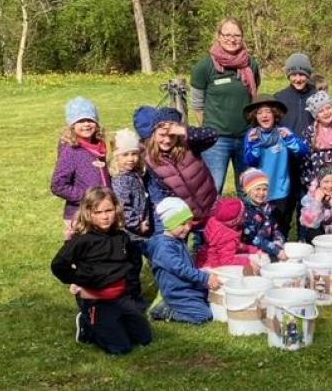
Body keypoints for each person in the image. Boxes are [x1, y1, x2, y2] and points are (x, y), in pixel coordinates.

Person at [50, 187, 151, 354]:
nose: (105, 216)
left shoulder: (121, 237)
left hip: (121, 297)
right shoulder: (82, 240)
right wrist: (81, 280)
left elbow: (132, 264)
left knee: (144, 339)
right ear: (89, 213)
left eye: (109, 210)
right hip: (96, 299)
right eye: (98, 212)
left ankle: (118, 323)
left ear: (116, 210)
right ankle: (87, 324)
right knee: (120, 348)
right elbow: (58, 265)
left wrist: (131, 291)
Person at [191, 17, 260, 194]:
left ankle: (250, 221)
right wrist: (210, 129)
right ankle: (212, 222)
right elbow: (198, 105)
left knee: (249, 189)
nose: (232, 39)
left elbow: (254, 97)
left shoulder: (250, 64)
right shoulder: (205, 66)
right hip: (217, 140)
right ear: (219, 36)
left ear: (243, 37)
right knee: (213, 188)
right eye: (227, 34)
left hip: (246, 137)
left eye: (237, 35)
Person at [133, 106, 217, 239]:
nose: (167, 140)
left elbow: (212, 135)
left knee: (211, 246)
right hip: (182, 214)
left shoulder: (188, 145)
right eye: (162, 135)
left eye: (172, 136)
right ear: (153, 133)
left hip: (209, 205)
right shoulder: (148, 159)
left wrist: (182, 130)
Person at [243, 94, 309, 238]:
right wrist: (254, 145)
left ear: (275, 114)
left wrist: (290, 139)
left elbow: (303, 151)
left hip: (280, 190)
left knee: (281, 227)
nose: (264, 115)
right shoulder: (252, 134)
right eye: (259, 113)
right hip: (260, 191)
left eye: (268, 111)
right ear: (255, 117)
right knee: (260, 230)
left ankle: (280, 251)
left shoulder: (283, 132)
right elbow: (250, 162)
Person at [146, 197, 221, 324]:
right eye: (182, 224)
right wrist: (204, 278)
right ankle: (167, 311)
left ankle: (189, 303)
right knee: (204, 315)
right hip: (177, 293)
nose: (187, 228)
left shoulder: (177, 240)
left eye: (189, 223)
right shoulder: (164, 248)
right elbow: (180, 268)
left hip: (188, 287)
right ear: (169, 223)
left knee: (211, 300)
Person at [51, 97, 110, 239]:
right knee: (83, 253)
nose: (86, 124)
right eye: (80, 121)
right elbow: (58, 185)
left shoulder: (100, 147)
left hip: (102, 211)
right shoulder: (71, 151)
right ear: (72, 125)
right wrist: (87, 198)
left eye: (90, 120)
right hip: (80, 214)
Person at [275, 52, 318, 241]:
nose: (298, 78)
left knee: (306, 201)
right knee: (285, 202)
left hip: (310, 158)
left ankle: (305, 239)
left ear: (308, 75)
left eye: (302, 74)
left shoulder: (316, 96)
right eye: (293, 74)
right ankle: (281, 237)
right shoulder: (280, 98)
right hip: (286, 159)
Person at [109, 128, 149, 308]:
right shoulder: (121, 180)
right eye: (125, 155)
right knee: (131, 269)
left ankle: (133, 298)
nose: (131, 159)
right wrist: (138, 224)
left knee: (136, 265)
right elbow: (123, 207)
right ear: (117, 157)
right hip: (129, 234)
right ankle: (133, 302)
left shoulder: (134, 174)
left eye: (134, 154)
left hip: (137, 233)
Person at [195, 198, 262, 271]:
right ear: (236, 220)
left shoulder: (215, 223)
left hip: (203, 260)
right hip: (212, 267)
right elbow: (227, 260)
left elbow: (233, 246)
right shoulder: (228, 236)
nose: (245, 216)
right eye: (242, 214)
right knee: (249, 265)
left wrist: (252, 249)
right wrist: (248, 262)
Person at [240, 168, 287, 261]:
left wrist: (278, 240)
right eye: (257, 189)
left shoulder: (269, 207)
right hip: (251, 252)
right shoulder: (244, 211)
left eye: (264, 189)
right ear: (248, 190)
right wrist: (275, 249)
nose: (261, 193)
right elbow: (253, 238)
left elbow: (275, 228)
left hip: (268, 247)